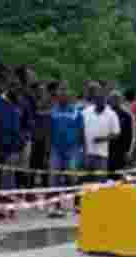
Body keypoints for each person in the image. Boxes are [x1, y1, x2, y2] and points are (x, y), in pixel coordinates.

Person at [47, 82, 84, 218]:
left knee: (73, 178)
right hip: (56, 149)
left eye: (65, 92)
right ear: (57, 96)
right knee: (53, 179)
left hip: (73, 149)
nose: (62, 95)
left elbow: (81, 132)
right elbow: (49, 132)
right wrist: (48, 151)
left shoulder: (76, 112)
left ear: (69, 96)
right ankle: (56, 207)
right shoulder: (53, 111)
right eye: (60, 92)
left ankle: (77, 205)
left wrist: (82, 150)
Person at [0, 81, 22, 219]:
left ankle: (9, 208)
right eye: (15, 89)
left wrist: (21, 140)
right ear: (9, 88)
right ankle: (3, 208)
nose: (18, 93)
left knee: (8, 178)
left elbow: (19, 127)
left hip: (12, 148)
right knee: (1, 179)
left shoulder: (15, 105)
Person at [81, 81, 120, 176]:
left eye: (102, 98)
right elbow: (80, 131)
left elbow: (116, 134)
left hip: (101, 155)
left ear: (106, 99)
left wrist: (102, 139)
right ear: (94, 99)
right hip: (86, 154)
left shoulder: (112, 114)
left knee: (100, 184)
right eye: (98, 98)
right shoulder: (85, 112)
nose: (100, 100)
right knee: (85, 184)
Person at [107, 90, 135, 180]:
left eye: (116, 99)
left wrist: (129, 151)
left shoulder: (127, 115)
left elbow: (131, 135)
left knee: (119, 176)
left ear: (120, 100)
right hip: (107, 150)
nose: (114, 101)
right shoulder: (106, 113)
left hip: (121, 151)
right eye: (112, 99)